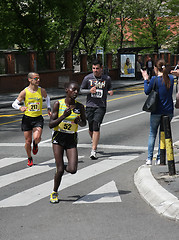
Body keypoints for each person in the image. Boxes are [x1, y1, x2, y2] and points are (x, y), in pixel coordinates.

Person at [49, 81, 86, 203]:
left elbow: (84, 123)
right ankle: (54, 192)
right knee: (59, 170)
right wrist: (63, 116)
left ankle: (61, 166)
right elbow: (50, 124)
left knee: (72, 169)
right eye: (73, 89)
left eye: (77, 90)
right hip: (58, 138)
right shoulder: (58, 104)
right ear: (66, 90)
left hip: (71, 138)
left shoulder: (79, 107)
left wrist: (78, 121)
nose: (76, 92)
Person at [12, 72, 51, 167]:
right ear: (30, 79)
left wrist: (49, 108)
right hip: (27, 118)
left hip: (38, 118)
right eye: (36, 78)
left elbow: (48, 98)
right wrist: (20, 108)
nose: (38, 80)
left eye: (39, 78)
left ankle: (36, 143)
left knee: (37, 137)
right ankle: (29, 158)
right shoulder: (24, 92)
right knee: (27, 141)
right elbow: (14, 104)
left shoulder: (42, 90)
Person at [141, 59, 174, 165]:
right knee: (163, 135)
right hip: (168, 111)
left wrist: (146, 79)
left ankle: (150, 158)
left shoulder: (154, 79)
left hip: (156, 111)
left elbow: (147, 91)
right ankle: (160, 157)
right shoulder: (171, 79)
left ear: (155, 68)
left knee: (152, 134)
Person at [80, 59, 113, 159]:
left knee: (96, 126)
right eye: (93, 68)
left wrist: (110, 91)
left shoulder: (106, 79)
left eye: (97, 68)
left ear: (101, 68)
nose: (95, 70)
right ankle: (94, 140)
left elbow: (110, 88)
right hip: (90, 106)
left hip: (101, 106)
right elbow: (81, 90)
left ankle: (93, 150)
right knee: (90, 128)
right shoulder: (87, 78)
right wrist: (89, 91)